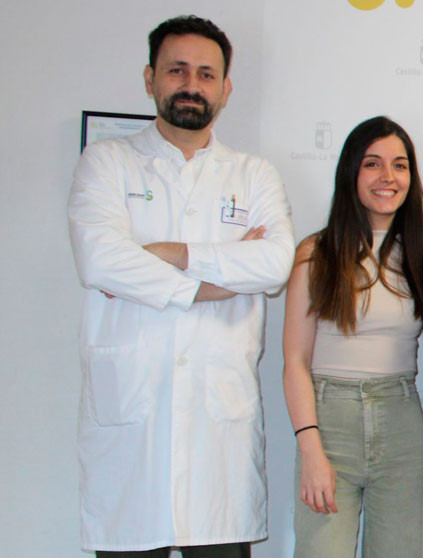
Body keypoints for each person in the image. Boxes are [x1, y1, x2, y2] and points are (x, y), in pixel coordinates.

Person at [67, 15, 294, 557]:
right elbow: (99, 261)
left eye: (206, 74)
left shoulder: (254, 174)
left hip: (219, 435)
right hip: (131, 429)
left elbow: (273, 264)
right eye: (177, 70)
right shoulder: (107, 163)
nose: (192, 85)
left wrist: (171, 257)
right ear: (150, 79)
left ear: (226, 88)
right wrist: (214, 281)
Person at [281, 116, 423, 557]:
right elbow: (294, 360)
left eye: (400, 165)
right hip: (329, 422)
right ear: (351, 172)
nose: (388, 177)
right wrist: (310, 450)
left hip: (402, 422)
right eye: (373, 164)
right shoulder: (316, 252)